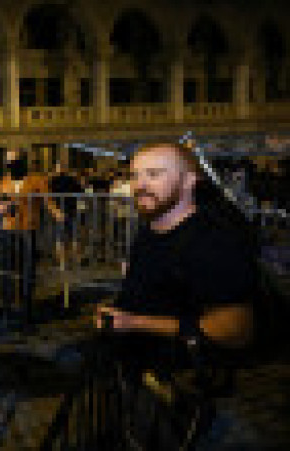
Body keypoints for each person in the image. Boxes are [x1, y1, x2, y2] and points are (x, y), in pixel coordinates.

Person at [95, 142, 255, 449]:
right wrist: (118, 314)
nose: (140, 185)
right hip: (139, 375)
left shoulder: (213, 243)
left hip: (178, 388)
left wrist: (136, 323)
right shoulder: (150, 228)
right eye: (136, 175)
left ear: (189, 180)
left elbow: (236, 329)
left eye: (154, 174)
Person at [0, 150, 64, 325]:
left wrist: (57, 213)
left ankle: (26, 306)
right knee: (7, 268)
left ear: (22, 161)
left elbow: (48, 201)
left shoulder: (37, 179)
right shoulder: (5, 181)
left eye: (14, 161)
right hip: (8, 228)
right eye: (8, 162)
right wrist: (0, 207)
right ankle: (7, 304)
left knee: (27, 269)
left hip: (28, 228)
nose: (11, 165)